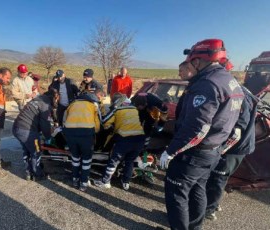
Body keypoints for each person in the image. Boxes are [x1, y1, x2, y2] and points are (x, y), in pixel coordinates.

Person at [159, 39, 244, 230]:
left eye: (190, 62)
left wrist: (170, 151)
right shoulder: (230, 81)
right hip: (213, 150)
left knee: (176, 192)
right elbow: (235, 122)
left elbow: (197, 128)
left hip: (195, 152)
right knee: (198, 189)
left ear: (197, 61)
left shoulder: (207, 84)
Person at [205, 61, 257, 221]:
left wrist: (221, 150)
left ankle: (209, 209)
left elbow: (237, 130)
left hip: (235, 147)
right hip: (240, 145)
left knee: (218, 177)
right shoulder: (242, 91)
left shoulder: (238, 95)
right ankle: (213, 202)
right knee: (220, 177)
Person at [94, 97, 145, 190]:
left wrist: (113, 112)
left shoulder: (117, 110)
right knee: (129, 161)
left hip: (125, 140)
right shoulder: (134, 109)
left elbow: (104, 122)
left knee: (114, 161)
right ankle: (126, 182)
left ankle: (105, 182)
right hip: (140, 139)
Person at [12, 88, 59, 181]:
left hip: (17, 128)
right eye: (57, 98)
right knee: (36, 151)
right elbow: (44, 124)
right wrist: (48, 136)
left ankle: (28, 172)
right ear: (54, 97)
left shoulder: (37, 100)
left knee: (27, 150)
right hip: (28, 131)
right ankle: (38, 174)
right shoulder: (45, 105)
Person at [63, 89, 103, 191]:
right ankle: (84, 183)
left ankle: (75, 179)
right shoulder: (92, 105)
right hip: (86, 134)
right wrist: (96, 132)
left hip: (70, 134)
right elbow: (97, 125)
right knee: (86, 159)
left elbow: (64, 120)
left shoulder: (71, 105)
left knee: (75, 158)